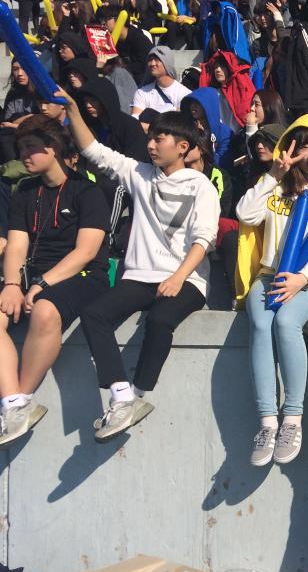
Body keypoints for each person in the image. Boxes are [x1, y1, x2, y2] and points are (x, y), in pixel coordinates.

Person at [59, 90, 219, 441]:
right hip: (140, 276)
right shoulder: (139, 174)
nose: (151, 144)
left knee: (160, 320)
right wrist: (72, 110)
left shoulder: (202, 187)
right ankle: (122, 396)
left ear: (182, 146)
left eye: (159, 138)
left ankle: (139, 392)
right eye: (150, 138)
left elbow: (204, 240)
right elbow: (94, 151)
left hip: (188, 279)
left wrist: (178, 277)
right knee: (94, 315)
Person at [235, 114, 308, 466]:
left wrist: (301, 280)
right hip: (268, 276)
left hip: (306, 282)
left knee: (285, 323)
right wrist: (274, 174)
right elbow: (245, 214)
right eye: (306, 146)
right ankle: (268, 422)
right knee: (261, 324)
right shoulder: (276, 188)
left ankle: (292, 419)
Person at [0, 116, 110, 447]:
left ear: (54, 148)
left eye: (31, 147)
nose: (24, 155)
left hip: (82, 275)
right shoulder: (25, 191)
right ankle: (14, 403)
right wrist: (12, 285)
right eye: (21, 148)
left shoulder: (88, 191)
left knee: (45, 311)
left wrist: (41, 284)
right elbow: (16, 245)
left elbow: (86, 252)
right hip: (31, 276)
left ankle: (21, 399)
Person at [129, 47, 193, 118]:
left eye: (157, 59)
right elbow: (136, 121)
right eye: (150, 60)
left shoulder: (185, 94)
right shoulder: (141, 92)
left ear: (167, 63)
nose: (152, 63)